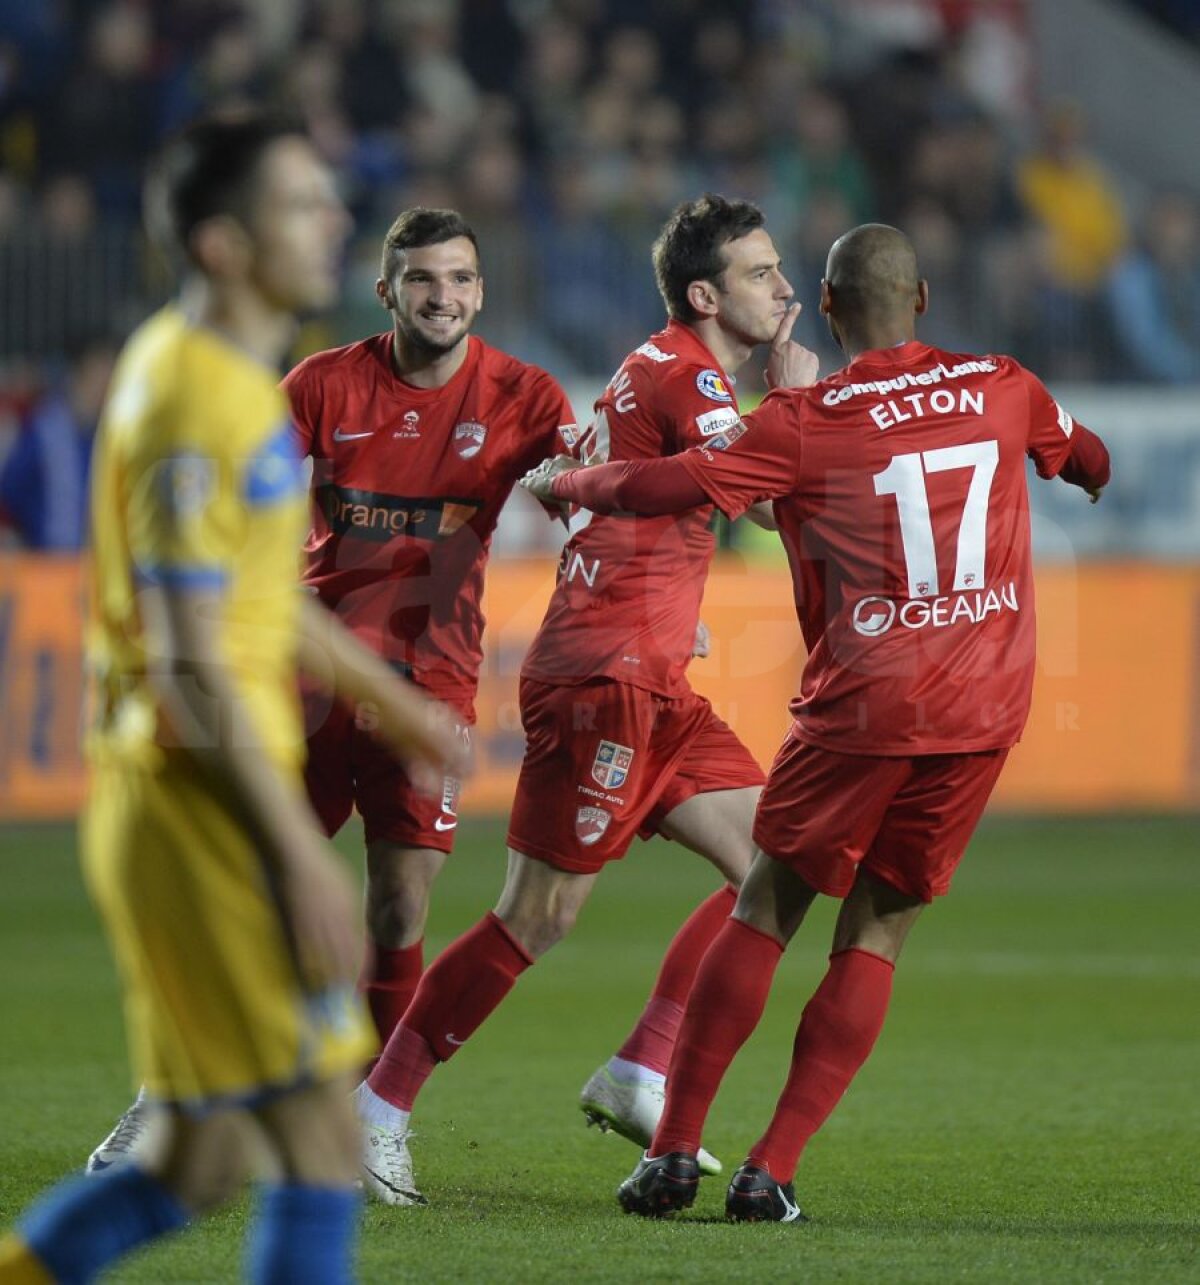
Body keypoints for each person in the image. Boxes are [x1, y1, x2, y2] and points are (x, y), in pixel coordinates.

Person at [522, 223, 1111, 1223]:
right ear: (923, 299)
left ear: (828, 309)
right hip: (979, 714)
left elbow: (662, 483)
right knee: (878, 930)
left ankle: (671, 1154)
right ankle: (772, 1169)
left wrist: (565, 481)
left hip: (858, 708)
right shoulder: (1003, 383)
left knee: (764, 907)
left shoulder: (803, 418)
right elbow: (1085, 456)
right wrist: (1084, 472)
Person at [0, 113, 465, 1283]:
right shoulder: (192, 402)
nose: (333, 218)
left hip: (197, 799)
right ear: (222, 243)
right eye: (300, 202)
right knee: (319, 1144)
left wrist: (386, 694)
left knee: (194, 1164)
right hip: (189, 806)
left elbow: (259, 599)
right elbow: (192, 660)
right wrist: (296, 854)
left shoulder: (233, 380)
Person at [83, 206, 577, 1171]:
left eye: (461, 279)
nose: (443, 296)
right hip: (305, 677)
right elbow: (236, 488)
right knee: (249, 892)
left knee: (398, 906)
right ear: (386, 289)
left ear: (482, 291)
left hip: (430, 680)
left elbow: (586, 484)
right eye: (423, 278)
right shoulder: (321, 383)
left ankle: (363, 1125)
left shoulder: (524, 393)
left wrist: (587, 506)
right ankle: (165, 1097)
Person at [354, 193, 814, 1207]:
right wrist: (797, 400)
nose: (784, 288)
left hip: (651, 671)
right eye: (761, 272)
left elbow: (640, 492)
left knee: (776, 866)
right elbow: (764, 494)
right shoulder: (690, 374)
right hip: (605, 679)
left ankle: (641, 1067)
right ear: (705, 296)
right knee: (538, 912)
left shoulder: (663, 368)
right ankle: (376, 1106)